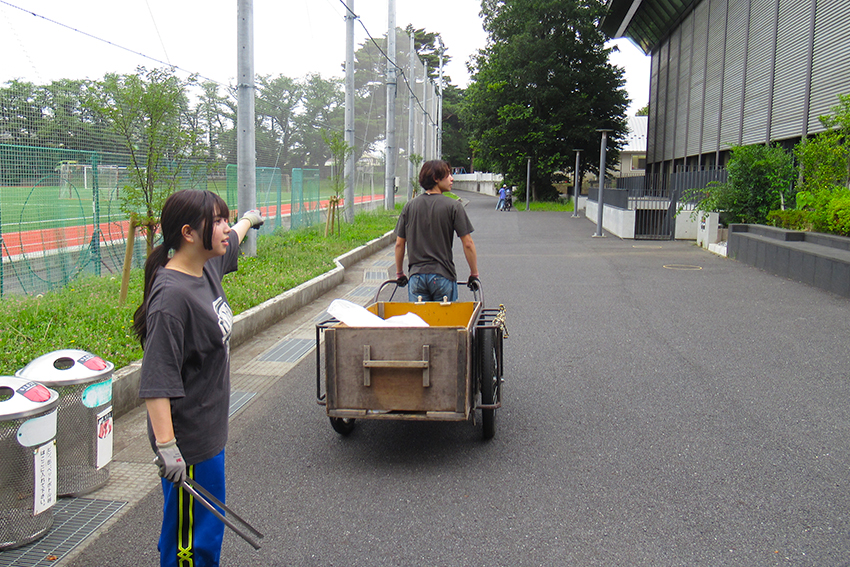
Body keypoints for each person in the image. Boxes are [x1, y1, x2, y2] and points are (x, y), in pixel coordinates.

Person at [133, 189, 264, 567]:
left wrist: (248, 221)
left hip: (208, 434)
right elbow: (156, 381)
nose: (226, 228)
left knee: (198, 529)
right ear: (189, 233)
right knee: (192, 543)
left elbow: (234, 238)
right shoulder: (172, 299)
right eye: (218, 221)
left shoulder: (205, 266)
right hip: (187, 445)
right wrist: (168, 447)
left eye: (226, 219)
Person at [394, 159, 479, 301]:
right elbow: (468, 243)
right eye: (448, 175)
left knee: (419, 322)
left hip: (416, 277)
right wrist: (474, 273)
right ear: (436, 178)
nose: (452, 179)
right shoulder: (453, 206)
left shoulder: (409, 206)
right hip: (443, 276)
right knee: (445, 321)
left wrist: (400, 273)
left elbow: (399, 244)